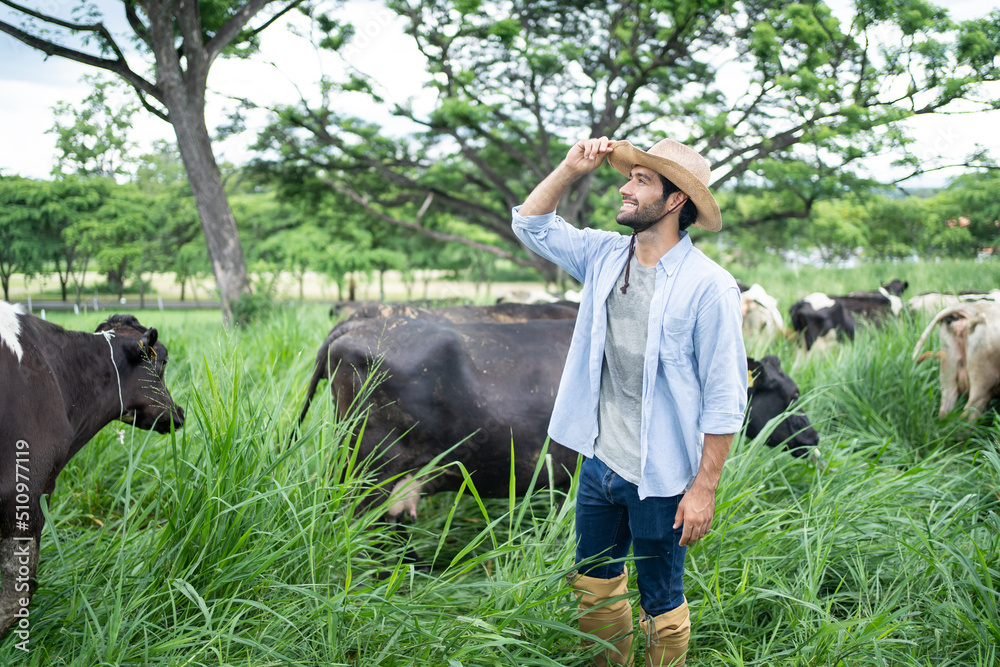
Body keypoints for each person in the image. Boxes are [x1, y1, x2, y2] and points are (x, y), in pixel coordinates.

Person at [511, 137, 747, 666]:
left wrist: (704, 489)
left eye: (641, 181)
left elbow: (726, 398)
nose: (624, 187)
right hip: (599, 464)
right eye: (630, 177)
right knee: (593, 584)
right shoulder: (604, 255)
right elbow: (531, 225)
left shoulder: (710, 286)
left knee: (660, 599)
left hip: (662, 476)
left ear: (675, 201)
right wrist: (570, 169)